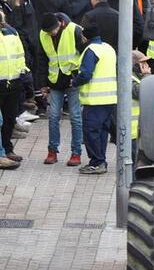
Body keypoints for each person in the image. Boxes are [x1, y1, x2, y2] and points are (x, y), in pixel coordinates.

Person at [40, 12, 84, 166]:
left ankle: (76, 152)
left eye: (53, 30)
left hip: (72, 80)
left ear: (60, 23)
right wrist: (43, 83)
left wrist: (78, 76)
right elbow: (43, 59)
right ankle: (52, 151)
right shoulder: (43, 34)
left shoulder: (75, 30)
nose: (51, 33)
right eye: (48, 32)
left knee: (75, 117)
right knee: (52, 116)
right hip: (55, 81)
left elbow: (85, 53)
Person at [72, 24, 117, 175]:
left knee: (91, 131)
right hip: (110, 97)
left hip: (95, 99)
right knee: (102, 131)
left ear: (85, 37)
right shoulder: (108, 48)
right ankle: (101, 160)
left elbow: (85, 74)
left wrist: (74, 82)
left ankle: (97, 162)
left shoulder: (91, 51)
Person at [0, 13, 28, 169]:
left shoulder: (11, 32)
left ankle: (7, 148)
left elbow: (20, 54)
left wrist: (21, 73)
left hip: (13, 81)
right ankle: (2, 153)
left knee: (10, 118)